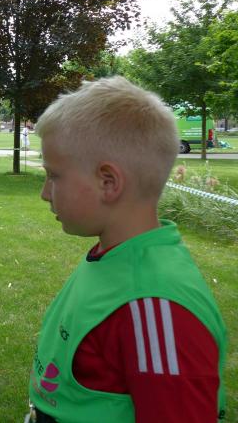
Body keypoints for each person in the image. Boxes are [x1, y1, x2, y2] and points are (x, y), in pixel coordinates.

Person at [28, 76, 227, 422]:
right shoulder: (116, 255)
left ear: (108, 182)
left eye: (54, 176)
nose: (45, 193)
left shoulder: (152, 303)